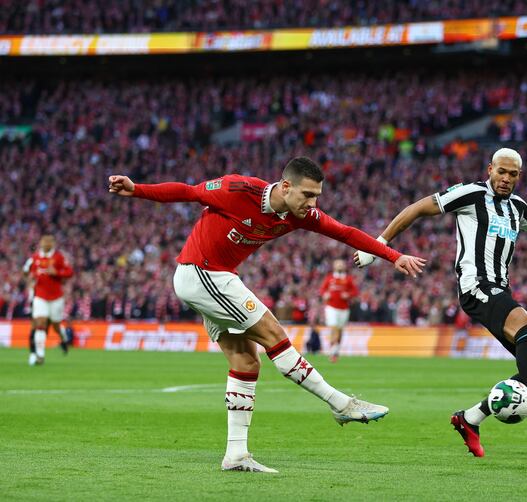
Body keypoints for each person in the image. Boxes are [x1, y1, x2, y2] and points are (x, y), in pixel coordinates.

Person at [108, 157, 426, 473]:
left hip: (214, 278)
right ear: (286, 187)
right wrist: (137, 189)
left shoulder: (299, 215)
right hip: (202, 271)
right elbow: (188, 192)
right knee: (274, 334)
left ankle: (236, 454)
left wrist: (393, 256)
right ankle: (341, 404)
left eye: (317, 196)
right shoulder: (238, 189)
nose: (313, 203)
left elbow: (345, 232)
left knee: (247, 361)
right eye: (307, 195)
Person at [355, 147, 527, 456]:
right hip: (476, 285)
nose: (505, 179)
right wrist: (377, 246)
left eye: (512, 174)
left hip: (499, 288)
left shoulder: (517, 206)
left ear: (519, 176)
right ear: (490, 169)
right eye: (500, 172)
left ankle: (470, 418)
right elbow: (417, 209)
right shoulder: (470, 194)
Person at [23, 234, 73, 365]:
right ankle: (40, 355)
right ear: (40, 243)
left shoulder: (59, 257)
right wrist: (31, 279)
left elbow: (69, 272)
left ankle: (63, 337)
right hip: (40, 296)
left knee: (55, 325)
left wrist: (57, 273)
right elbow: (26, 271)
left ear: (53, 243)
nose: (46, 244)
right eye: (44, 242)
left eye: (49, 242)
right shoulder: (35, 258)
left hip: (56, 297)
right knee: (40, 323)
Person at [319, 259, 359, 362]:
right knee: (334, 328)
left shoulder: (348, 279)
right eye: (338, 264)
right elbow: (322, 290)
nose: (340, 266)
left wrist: (348, 295)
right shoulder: (329, 278)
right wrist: (325, 295)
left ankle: (335, 352)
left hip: (344, 308)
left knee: (340, 331)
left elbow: (355, 291)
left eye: (342, 264)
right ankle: (332, 352)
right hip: (331, 307)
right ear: (334, 266)